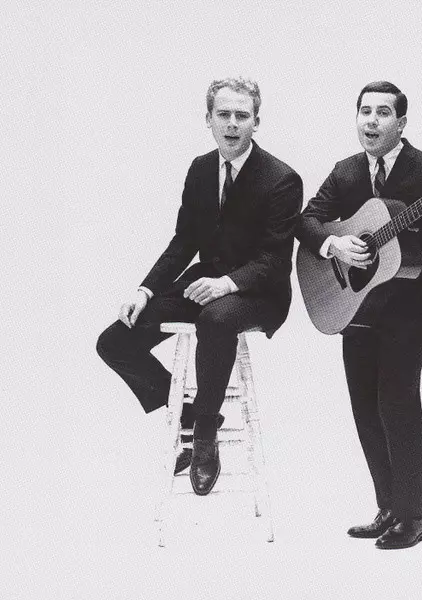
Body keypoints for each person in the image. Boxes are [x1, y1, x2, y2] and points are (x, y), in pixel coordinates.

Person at [97, 77, 302, 496]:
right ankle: (190, 415)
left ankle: (205, 434)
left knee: (216, 319)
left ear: (256, 122)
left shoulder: (282, 178)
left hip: (260, 292)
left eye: (241, 116)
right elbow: (184, 241)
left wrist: (228, 283)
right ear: (208, 119)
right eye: (223, 114)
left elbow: (275, 260)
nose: (232, 124)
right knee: (114, 341)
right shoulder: (200, 168)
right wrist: (144, 291)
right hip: (206, 281)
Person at [296, 81, 422, 549]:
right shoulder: (345, 171)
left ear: (401, 123)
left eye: (383, 113)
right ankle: (388, 508)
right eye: (364, 111)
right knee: (365, 407)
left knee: (398, 403)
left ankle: (414, 517)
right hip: (357, 304)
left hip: (410, 308)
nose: (371, 121)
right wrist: (334, 244)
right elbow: (306, 220)